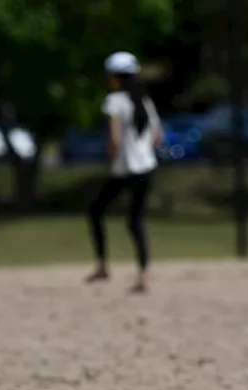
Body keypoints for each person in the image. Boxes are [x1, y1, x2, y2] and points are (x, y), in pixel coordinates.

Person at [85, 50, 164, 294]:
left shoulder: (115, 101)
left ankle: (102, 265)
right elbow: (158, 138)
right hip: (146, 167)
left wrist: (108, 156)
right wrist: (141, 149)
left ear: (116, 77)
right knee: (136, 221)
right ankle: (144, 276)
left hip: (125, 169)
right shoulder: (145, 101)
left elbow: (115, 139)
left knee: (96, 211)